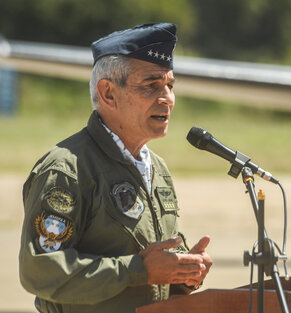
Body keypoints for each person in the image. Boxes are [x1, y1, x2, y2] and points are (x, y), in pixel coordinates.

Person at [19, 23, 212, 313]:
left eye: (170, 86)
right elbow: (41, 270)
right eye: (151, 85)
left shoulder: (156, 168)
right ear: (108, 93)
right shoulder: (67, 169)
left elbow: (151, 264)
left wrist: (184, 273)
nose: (167, 98)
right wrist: (137, 270)